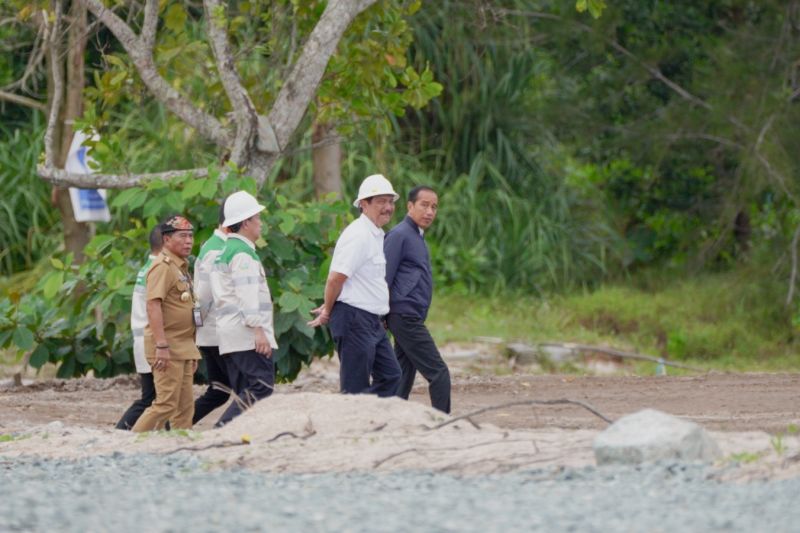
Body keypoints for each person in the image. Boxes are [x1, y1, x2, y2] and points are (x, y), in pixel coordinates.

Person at [308, 174, 402, 397]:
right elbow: (335, 278)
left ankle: (368, 421)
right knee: (354, 388)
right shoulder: (358, 235)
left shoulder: (375, 234)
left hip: (371, 321)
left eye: (390, 201)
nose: (387, 207)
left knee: (391, 376)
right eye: (380, 202)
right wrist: (328, 310)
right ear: (363, 204)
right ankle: (351, 426)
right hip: (354, 320)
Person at [211, 191, 278, 426]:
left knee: (245, 389)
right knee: (262, 386)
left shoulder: (225, 252)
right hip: (246, 333)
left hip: (231, 333)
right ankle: (222, 429)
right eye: (257, 218)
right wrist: (258, 331)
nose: (260, 223)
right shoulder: (243, 254)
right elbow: (247, 296)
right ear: (246, 222)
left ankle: (238, 432)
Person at [384, 186, 451, 413]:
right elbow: (385, 276)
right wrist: (383, 313)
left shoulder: (416, 236)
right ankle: (444, 422)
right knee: (439, 372)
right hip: (404, 315)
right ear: (410, 206)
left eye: (434, 207)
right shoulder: (400, 234)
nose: (430, 212)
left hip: (408, 315)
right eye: (424, 205)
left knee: (402, 373)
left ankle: (391, 417)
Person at [132, 215, 200, 432]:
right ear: (167, 240)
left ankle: (181, 446)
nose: (188, 241)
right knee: (165, 404)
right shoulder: (163, 266)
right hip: (167, 346)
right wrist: (161, 345)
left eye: (190, 236)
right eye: (182, 236)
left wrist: (192, 349)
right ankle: (130, 443)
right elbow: (153, 306)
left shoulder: (180, 267)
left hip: (183, 346)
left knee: (185, 407)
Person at [115, 227, 162, 430]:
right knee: (155, 398)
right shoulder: (157, 271)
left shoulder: (147, 269)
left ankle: (124, 431)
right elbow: (154, 308)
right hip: (151, 342)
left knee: (154, 397)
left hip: (143, 340)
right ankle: (122, 431)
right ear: (166, 242)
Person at [192, 204, 231, 424]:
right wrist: (195, 328)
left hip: (211, 332)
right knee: (252, 388)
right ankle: (224, 431)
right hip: (217, 333)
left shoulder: (213, 245)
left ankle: (172, 428)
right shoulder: (218, 250)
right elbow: (203, 297)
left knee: (220, 390)